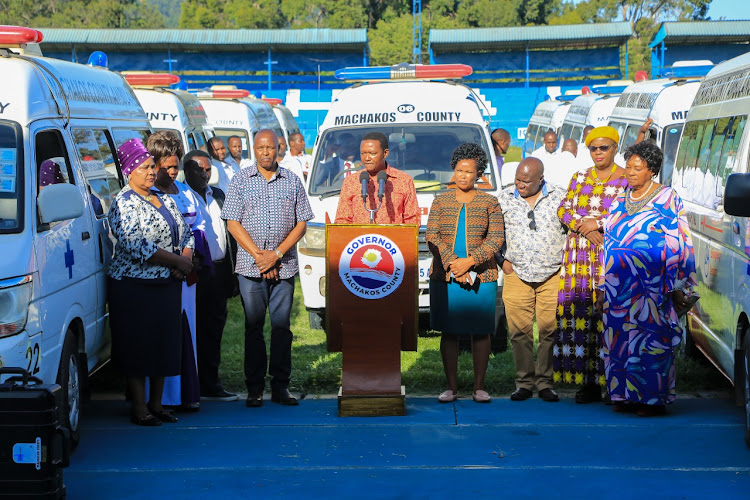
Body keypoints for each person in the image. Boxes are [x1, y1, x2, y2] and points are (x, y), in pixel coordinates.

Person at [598, 141, 696, 416]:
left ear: (651, 170)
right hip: (619, 288)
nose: (629, 172)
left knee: (651, 341)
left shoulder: (668, 198)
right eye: (628, 166)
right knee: (617, 339)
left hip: (652, 288)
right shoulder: (619, 200)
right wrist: (602, 285)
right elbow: (608, 244)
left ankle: (652, 400)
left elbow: (680, 242)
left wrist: (675, 284)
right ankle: (623, 395)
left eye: (637, 168)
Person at [221, 129, 313, 408]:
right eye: (260, 148)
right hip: (251, 267)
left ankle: (281, 386)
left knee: (282, 328)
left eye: (270, 148)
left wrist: (276, 254)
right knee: (253, 327)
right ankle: (254, 387)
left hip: (283, 266)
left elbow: (301, 222)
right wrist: (260, 256)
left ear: (278, 149)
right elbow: (232, 223)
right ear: (254, 148)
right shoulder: (240, 180)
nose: (265, 152)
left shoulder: (293, 181)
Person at [107, 138, 194, 426]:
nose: (149, 172)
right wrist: (177, 262)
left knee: (163, 345)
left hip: (167, 284)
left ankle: (157, 405)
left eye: (151, 167)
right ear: (129, 171)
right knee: (139, 347)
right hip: (135, 287)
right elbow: (135, 244)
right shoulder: (123, 203)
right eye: (144, 167)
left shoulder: (165, 197)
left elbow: (186, 232)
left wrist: (185, 257)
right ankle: (140, 407)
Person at [554, 126, 628, 404]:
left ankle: (613, 384)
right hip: (579, 259)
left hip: (612, 256)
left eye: (604, 147)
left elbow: (629, 214)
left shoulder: (625, 179)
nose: (598, 153)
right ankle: (587, 384)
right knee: (581, 316)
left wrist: (598, 224)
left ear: (615, 148)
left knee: (610, 318)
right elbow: (563, 209)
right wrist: (583, 228)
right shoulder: (580, 176)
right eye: (593, 148)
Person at [426, 143, 504, 403]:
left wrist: (470, 262)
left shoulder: (490, 202)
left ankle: (479, 387)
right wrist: (453, 264)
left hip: (481, 277)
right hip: (446, 276)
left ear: (479, 174)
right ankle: (451, 387)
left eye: (469, 171)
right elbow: (432, 236)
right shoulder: (440, 200)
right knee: (449, 331)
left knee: (480, 331)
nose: (462, 175)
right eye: (459, 170)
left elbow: (495, 239)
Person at [498, 157, 566, 403]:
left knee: (549, 331)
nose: (521, 185)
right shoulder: (504, 198)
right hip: (516, 273)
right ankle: (524, 383)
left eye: (526, 181)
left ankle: (545, 383)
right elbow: (493, 233)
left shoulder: (560, 197)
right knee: (519, 333)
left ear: (541, 179)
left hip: (552, 274)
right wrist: (501, 261)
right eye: (518, 179)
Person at [146, 131, 205, 411]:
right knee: (161, 335)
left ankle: (185, 393)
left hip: (187, 276)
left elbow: (199, 227)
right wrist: (175, 262)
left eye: (175, 166)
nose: (171, 172)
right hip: (161, 275)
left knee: (186, 332)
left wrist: (188, 257)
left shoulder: (185, 193)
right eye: (165, 167)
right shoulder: (148, 195)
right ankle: (162, 398)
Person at [183, 150, 239, 402]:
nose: (204, 175)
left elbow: (229, 233)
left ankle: (210, 381)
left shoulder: (218, 195)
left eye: (207, 170)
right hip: (193, 272)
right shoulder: (181, 197)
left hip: (219, 270)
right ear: (187, 171)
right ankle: (190, 383)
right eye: (198, 170)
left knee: (214, 329)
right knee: (192, 328)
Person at [334, 132, 420, 225]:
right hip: (359, 238)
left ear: (385, 153)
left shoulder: (403, 180)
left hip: (393, 238)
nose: (367, 158)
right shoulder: (351, 182)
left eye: (372, 153)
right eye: (363, 153)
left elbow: (412, 220)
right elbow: (342, 220)